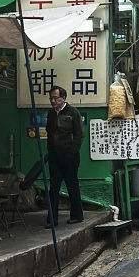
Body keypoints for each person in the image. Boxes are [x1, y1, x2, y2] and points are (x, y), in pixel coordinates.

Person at [45, 86, 85, 226]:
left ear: (63, 98)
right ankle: (52, 219)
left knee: (72, 186)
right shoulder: (51, 114)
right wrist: (50, 152)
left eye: (56, 98)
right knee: (53, 188)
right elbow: (49, 133)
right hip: (54, 156)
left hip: (70, 156)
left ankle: (77, 215)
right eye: (51, 98)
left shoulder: (73, 112)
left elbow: (79, 135)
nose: (53, 101)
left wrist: (72, 152)